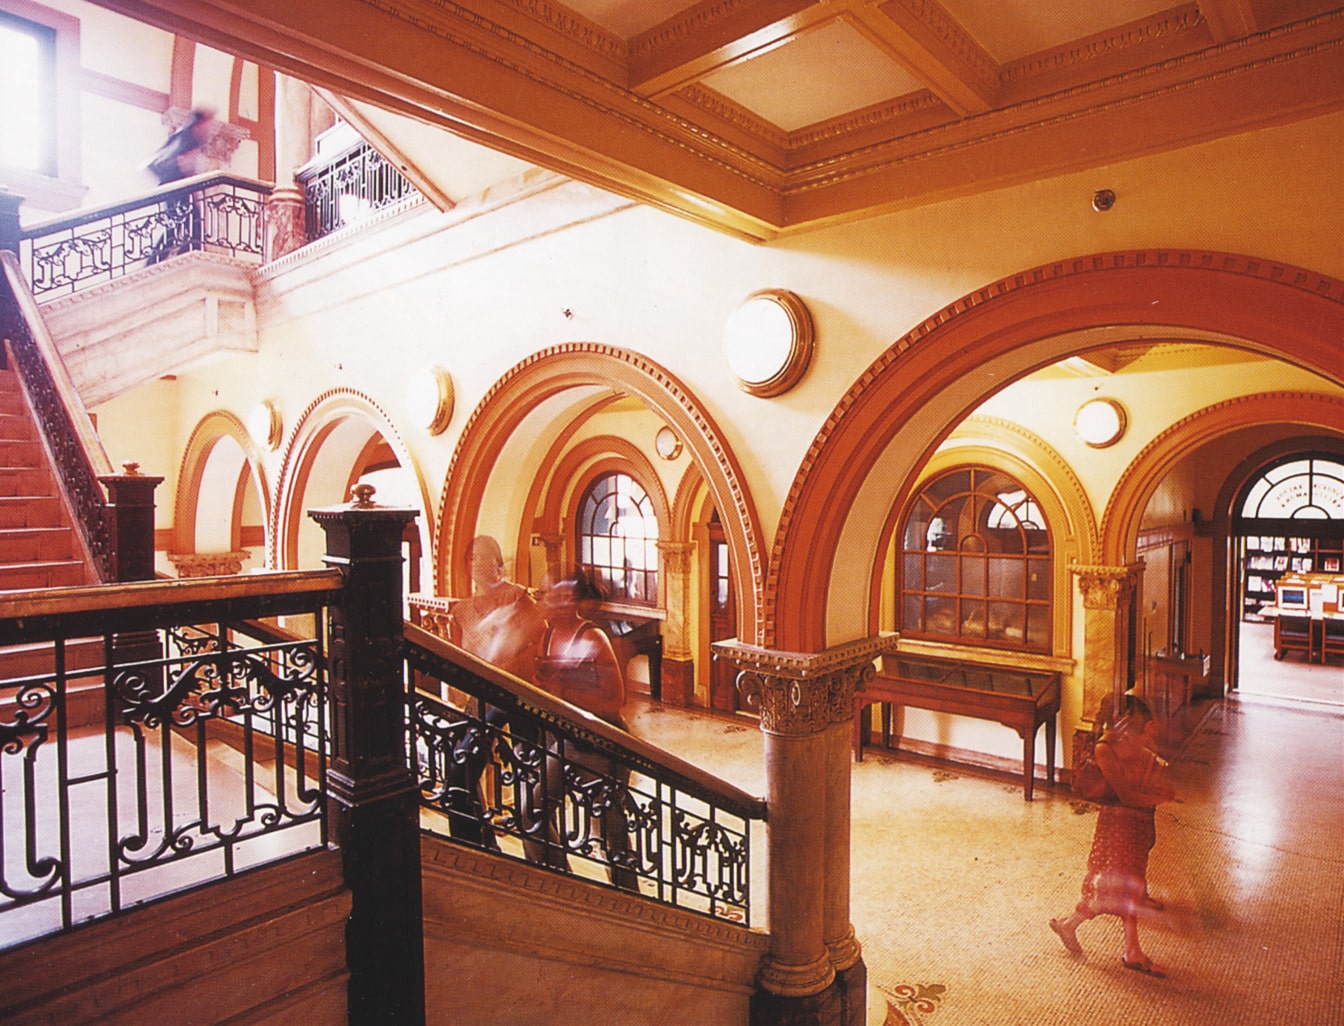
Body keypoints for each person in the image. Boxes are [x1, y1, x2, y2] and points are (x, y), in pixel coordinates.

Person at [1050, 693, 1176, 977]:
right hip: (1119, 826)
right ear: (1122, 721)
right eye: (1138, 722)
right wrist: (1160, 797)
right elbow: (1127, 796)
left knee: (1126, 889)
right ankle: (1120, 946)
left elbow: (1151, 765)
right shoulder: (1104, 749)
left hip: (1135, 824)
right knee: (1117, 889)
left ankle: (1117, 944)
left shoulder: (1128, 742)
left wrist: (1149, 741)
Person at [534, 567, 639, 891]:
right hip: (567, 738)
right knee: (534, 810)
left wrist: (565, 694)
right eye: (553, 595)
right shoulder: (547, 635)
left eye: (567, 595)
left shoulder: (593, 637)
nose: (560, 602)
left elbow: (614, 701)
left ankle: (629, 897)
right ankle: (559, 884)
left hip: (601, 741)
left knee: (609, 828)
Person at [442, 536, 546, 849]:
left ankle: (540, 852)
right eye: (472, 557)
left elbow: (539, 640)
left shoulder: (517, 596)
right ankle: (479, 844)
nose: (478, 563)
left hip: (518, 694)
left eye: (485, 556)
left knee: (530, 774)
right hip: (482, 698)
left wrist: (509, 667)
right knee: (461, 767)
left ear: (498, 562)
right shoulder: (462, 610)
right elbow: (460, 658)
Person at [144, 108, 220, 263]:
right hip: (176, 187)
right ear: (201, 122)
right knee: (193, 227)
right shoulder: (188, 137)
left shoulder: (186, 136)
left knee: (178, 226)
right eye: (209, 124)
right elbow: (183, 164)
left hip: (173, 187)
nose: (210, 129)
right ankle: (185, 257)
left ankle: (162, 260)